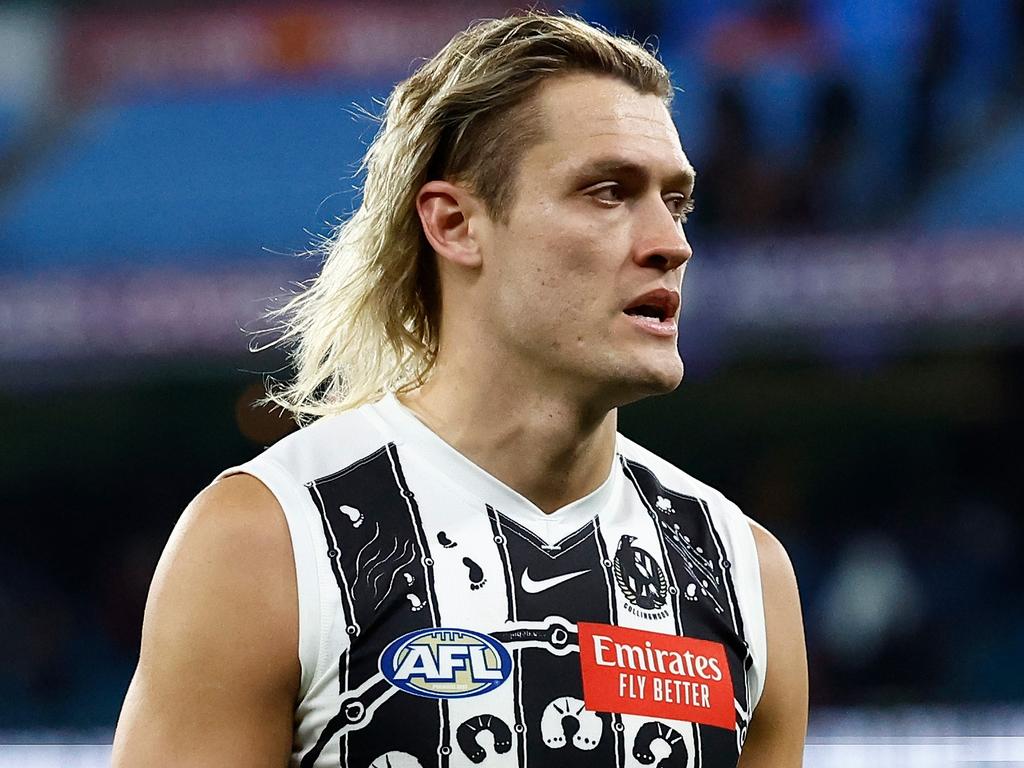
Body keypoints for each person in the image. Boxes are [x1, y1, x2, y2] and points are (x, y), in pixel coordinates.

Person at [112, 12, 807, 768]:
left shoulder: (744, 573)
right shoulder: (268, 541)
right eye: (609, 192)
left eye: (677, 202)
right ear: (455, 223)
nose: (672, 243)